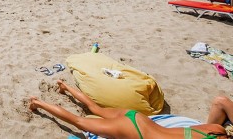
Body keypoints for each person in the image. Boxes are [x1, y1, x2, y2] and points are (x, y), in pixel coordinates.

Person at [29, 79, 227, 139]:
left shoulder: (215, 130)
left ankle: (64, 86)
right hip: (134, 131)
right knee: (79, 121)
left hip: (139, 119)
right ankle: (38, 103)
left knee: (95, 109)